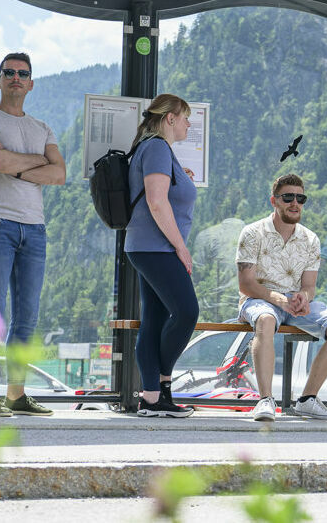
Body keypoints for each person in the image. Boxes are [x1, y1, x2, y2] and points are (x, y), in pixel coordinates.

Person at [0, 52, 64, 418]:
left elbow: (60, 174)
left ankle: (16, 394)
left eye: (23, 73)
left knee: (28, 316)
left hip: (34, 228)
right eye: (8, 72)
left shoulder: (42, 128)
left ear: (31, 82)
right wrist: (34, 161)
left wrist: (15, 165)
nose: (15, 78)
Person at [234, 174, 327, 421]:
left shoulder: (310, 239)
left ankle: (308, 399)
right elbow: (246, 284)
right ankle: (265, 400)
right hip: (259, 299)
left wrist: (303, 297)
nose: (295, 203)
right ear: (274, 201)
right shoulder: (252, 233)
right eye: (288, 197)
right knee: (265, 320)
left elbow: (309, 286)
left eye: (300, 198)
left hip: (292, 304)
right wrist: (278, 299)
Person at [127, 94, 199, 418]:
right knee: (186, 312)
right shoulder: (156, 147)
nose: (188, 124)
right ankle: (162, 383)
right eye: (185, 117)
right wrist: (181, 248)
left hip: (147, 247)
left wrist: (179, 176)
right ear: (170, 117)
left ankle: (153, 398)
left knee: (154, 320)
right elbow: (157, 202)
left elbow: (159, 192)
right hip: (157, 248)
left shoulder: (155, 149)